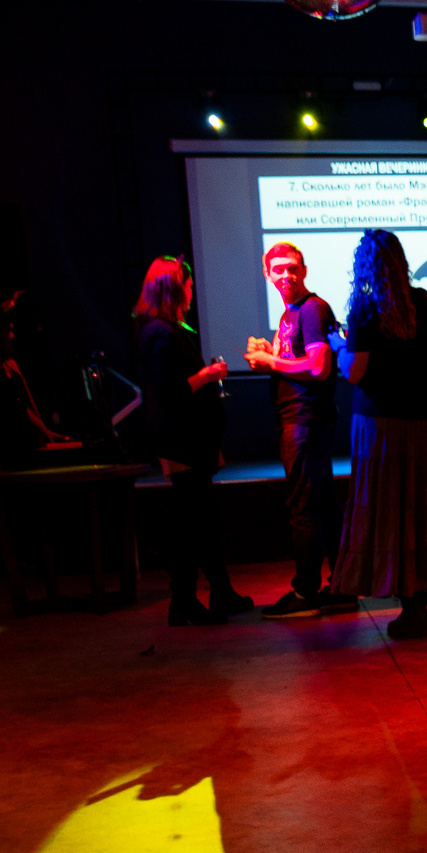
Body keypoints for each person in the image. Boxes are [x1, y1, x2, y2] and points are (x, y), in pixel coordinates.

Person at [333, 229, 427, 641]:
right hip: (423, 423)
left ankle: (409, 610)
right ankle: (418, 608)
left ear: (362, 266)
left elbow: (354, 372)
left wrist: (337, 345)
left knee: (389, 512)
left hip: (382, 427)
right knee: (417, 512)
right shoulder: (421, 299)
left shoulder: (364, 308)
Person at [130, 256, 243, 626]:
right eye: (189, 285)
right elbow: (170, 391)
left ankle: (220, 592)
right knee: (192, 522)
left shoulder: (163, 328)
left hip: (191, 439)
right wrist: (207, 376)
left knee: (202, 519)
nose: (192, 292)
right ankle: (183, 601)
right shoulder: (161, 333)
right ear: (174, 288)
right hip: (183, 440)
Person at [243, 243, 353, 619]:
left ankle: (305, 592)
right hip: (304, 421)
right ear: (267, 275)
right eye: (278, 270)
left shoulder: (311, 309)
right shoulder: (291, 314)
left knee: (303, 507)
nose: (286, 276)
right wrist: (267, 354)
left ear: (304, 270)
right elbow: (294, 361)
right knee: (321, 503)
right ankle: (342, 587)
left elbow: (320, 368)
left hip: (305, 421)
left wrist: (271, 360)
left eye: (292, 269)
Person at [0, 290, 76, 579]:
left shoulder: (7, 364)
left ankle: (22, 556)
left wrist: (46, 431)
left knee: (21, 504)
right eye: (8, 330)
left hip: (19, 445)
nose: (12, 336)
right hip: (0, 446)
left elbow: (22, 406)